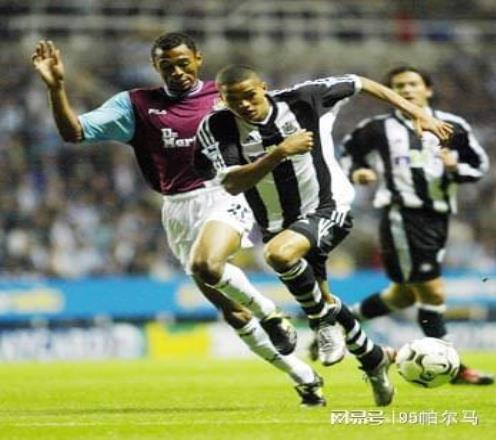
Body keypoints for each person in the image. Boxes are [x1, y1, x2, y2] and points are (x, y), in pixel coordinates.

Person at [32, 33, 327, 407]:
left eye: (183, 63)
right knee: (232, 312)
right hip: (176, 208)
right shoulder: (135, 105)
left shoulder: (226, 96)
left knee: (208, 265)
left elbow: (274, 115)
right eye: (167, 65)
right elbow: (73, 132)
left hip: (224, 192)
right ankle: (303, 376)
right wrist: (56, 88)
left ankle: (271, 314)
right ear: (155, 66)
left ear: (198, 59)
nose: (177, 71)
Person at [193, 64, 452, 405]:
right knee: (321, 296)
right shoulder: (217, 126)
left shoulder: (304, 99)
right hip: (277, 224)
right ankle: (373, 358)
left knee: (279, 256)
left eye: (250, 95)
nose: (244, 104)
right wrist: (280, 151)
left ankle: (321, 322)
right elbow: (232, 183)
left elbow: (361, 82)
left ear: (264, 87)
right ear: (222, 99)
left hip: (328, 208)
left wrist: (418, 113)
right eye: (233, 99)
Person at [341, 66, 494, 385]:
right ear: (391, 93)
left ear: (428, 89)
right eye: (399, 86)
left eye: (413, 84)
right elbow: (349, 152)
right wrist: (358, 172)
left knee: (403, 296)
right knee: (432, 290)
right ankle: (454, 367)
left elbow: (478, 166)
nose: (407, 90)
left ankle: (341, 320)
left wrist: (456, 167)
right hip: (402, 215)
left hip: (439, 217)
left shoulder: (453, 126)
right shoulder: (376, 128)